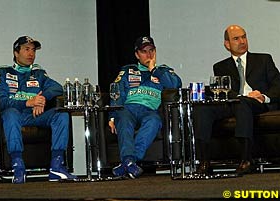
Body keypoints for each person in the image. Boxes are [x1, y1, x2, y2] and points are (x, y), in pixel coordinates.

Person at [0, 36, 79, 184]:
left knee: (62, 114)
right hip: (14, 116)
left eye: (33, 50)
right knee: (10, 113)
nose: (31, 53)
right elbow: (1, 101)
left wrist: (41, 100)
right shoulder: (1, 73)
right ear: (16, 53)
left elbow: (57, 88)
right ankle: (18, 168)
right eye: (26, 49)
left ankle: (57, 166)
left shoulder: (38, 74)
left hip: (36, 115)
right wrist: (28, 102)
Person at [194, 25, 280, 175]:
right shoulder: (220, 67)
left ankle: (246, 159)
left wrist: (263, 96)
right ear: (227, 44)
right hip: (233, 102)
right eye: (236, 38)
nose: (242, 41)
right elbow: (223, 91)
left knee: (242, 104)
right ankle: (204, 161)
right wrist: (239, 97)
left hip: (257, 103)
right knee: (203, 109)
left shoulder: (263, 59)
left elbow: (277, 84)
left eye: (244, 37)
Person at [108, 36, 182, 178]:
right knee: (122, 117)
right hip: (128, 108)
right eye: (144, 51)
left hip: (149, 110)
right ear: (137, 54)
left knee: (154, 121)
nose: (148, 54)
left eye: (151, 50)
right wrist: (112, 115)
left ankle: (129, 162)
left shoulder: (164, 71)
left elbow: (175, 85)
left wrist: (154, 69)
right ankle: (129, 162)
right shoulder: (127, 70)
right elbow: (117, 92)